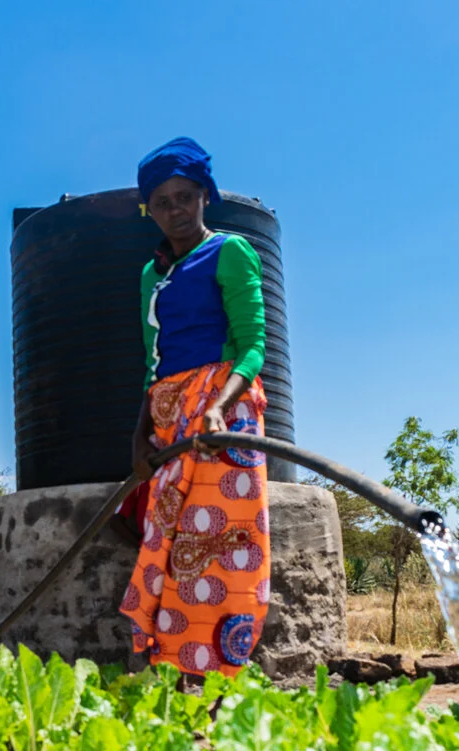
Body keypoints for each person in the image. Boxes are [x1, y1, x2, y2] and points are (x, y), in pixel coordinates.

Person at [118, 137, 271, 684]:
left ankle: (220, 683)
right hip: (169, 418)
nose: (175, 210)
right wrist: (140, 436)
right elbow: (151, 362)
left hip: (223, 419)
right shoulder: (150, 276)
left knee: (220, 551)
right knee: (167, 549)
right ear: (148, 210)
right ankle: (172, 677)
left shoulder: (230, 251)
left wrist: (218, 410)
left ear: (205, 196)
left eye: (185, 196)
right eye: (162, 202)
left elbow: (254, 345)